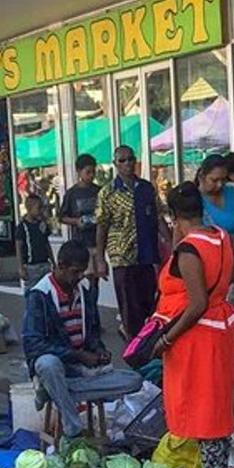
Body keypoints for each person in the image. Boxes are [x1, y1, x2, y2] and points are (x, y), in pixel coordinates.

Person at [153, 183, 234, 468]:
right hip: (219, 334)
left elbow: (197, 304)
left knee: (203, 413)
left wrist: (166, 339)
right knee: (214, 408)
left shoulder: (189, 250)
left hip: (196, 339)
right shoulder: (219, 237)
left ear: (174, 215)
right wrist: (220, 284)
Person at [22, 240, 143, 439]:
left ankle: (56, 392)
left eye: (82, 273)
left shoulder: (84, 292)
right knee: (48, 364)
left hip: (81, 372)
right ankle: (73, 426)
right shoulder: (40, 295)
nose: (79, 277)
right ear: (60, 265)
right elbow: (33, 345)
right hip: (60, 366)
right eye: (75, 272)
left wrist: (98, 350)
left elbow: (93, 333)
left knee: (135, 380)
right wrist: (77, 355)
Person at [94, 144, 170, 339]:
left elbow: (158, 217)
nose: (127, 163)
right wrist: (100, 259)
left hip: (147, 255)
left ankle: (148, 345)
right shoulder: (107, 193)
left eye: (130, 159)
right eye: (122, 160)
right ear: (115, 164)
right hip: (122, 258)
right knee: (129, 308)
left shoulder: (146, 188)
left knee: (150, 304)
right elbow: (101, 226)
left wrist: (171, 245)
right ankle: (133, 347)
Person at [60, 153, 101, 249]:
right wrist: (76, 221)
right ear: (79, 171)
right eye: (88, 172)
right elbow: (62, 217)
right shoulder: (72, 193)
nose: (91, 175)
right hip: (80, 241)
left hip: (98, 239)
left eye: (93, 172)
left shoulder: (99, 191)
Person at [198, 154, 234, 234]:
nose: (220, 185)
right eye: (214, 180)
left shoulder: (233, 193)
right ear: (201, 177)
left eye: (223, 179)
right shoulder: (194, 199)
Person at [17, 193, 53, 290]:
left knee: (47, 289)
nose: (40, 211)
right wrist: (21, 267)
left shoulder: (42, 225)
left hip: (45, 263)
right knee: (32, 291)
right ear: (29, 208)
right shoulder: (23, 227)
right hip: (31, 266)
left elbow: (46, 243)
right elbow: (19, 246)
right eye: (38, 208)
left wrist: (53, 262)